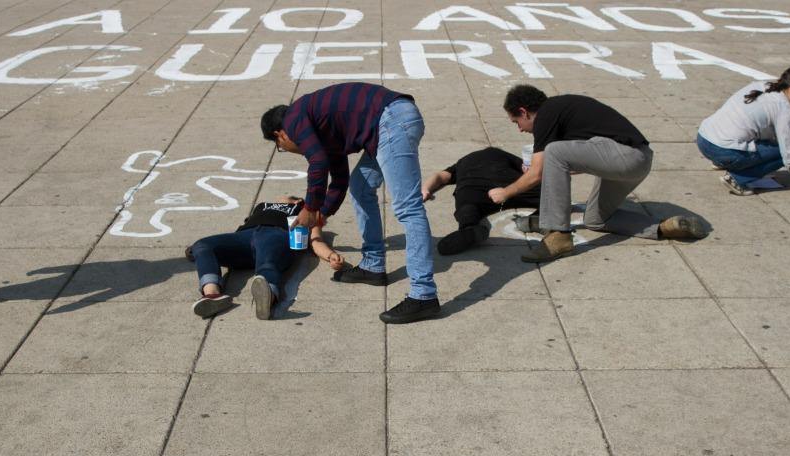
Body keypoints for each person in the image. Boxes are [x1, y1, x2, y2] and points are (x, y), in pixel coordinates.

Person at [261, 83, 439, 324]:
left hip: (392, 119)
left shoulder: (294, 118)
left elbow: (317, 162)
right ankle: (373, 265)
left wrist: (310, 208)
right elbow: (339, 178)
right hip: (390, 120)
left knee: (408, 208)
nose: (289, 150)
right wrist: (322, 213)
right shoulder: (320, 128)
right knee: (360, 187)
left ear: (279, 135)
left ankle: (424, 295)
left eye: (281, 148)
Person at [488, 84, 707, 263]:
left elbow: (537, 173)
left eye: (517, 122)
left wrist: (506, 192)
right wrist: (554, 169)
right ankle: (664, 228)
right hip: (638, 161)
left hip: (626, 156)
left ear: (524, 111)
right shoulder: (563, 110)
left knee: (553, 151)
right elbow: (583, 156)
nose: (520, 129)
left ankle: (558, 235)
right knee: (596, 220)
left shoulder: (546, 114)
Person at [697, 66, 790, 203]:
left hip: (703, 139)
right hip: (722, 150)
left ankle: (721, 162)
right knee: (781, 152)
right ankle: (738, 178)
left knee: (757, 137)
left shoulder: (761, 86)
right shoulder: (784, 110)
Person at [188, 196, 345, 320]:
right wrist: (199, 250)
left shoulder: (306, 211)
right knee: (202, 244)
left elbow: (315, 240)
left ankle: (268, 296)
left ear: (297, 201)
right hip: (245, 236)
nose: (279, 199)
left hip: (277, 235)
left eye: (286, 197)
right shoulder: (261, 206)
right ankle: (213, 295)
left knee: (268, 263)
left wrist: (330, 255)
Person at [421, 147, 541, 255]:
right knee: (544, 194)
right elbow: (530, 172)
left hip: (473, 190)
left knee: (467, 208)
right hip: (504, 183)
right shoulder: (498, 153)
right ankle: (542, 215)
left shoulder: (462, 163)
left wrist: (426, 189)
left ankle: (469, 227)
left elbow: (440, 177)